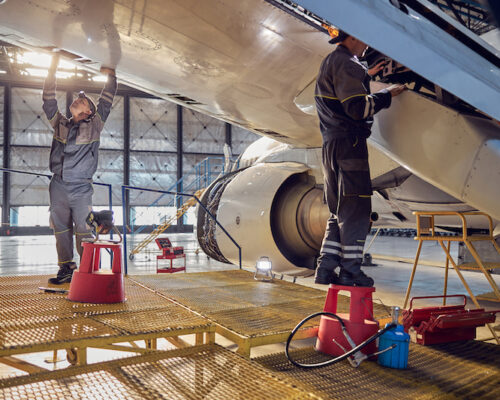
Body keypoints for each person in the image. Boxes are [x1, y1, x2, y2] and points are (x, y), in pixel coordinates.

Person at [314, 30, 405, 287]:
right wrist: (388, 94)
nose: (367, 45)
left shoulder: (332, 61)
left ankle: (325, 269)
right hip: (350, 146)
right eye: (364, 39)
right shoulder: (347, 64)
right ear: (352, 37)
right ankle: (352, 272)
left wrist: (367, 75)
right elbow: (357, 108)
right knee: (356, 211)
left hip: (331, 146)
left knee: (338, 211)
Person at [42, 53, 117, 284]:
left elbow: (106, 101)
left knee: (84, 230)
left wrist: (110, 77)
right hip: (58, 185)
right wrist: (52, 69)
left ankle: (87, 272)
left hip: (81, 188)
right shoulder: (60, 123)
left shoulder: (95, 125)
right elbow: (48, 101)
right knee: (60, 229)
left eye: (82, 102)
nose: (76, 100)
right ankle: (66, 269)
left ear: (88, 112)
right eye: (77, 99)